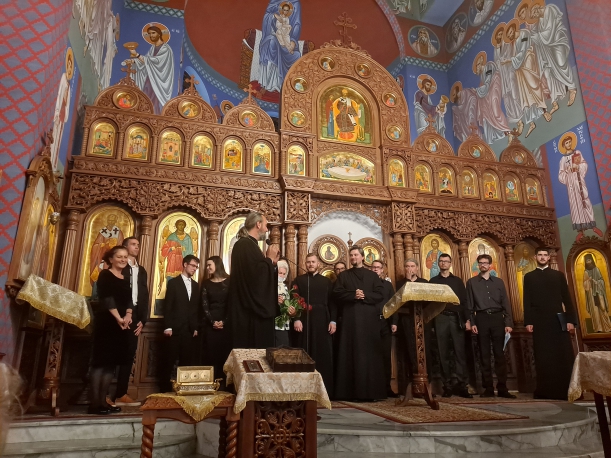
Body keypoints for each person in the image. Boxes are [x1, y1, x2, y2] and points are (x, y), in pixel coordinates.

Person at [523, 248, 577, 400]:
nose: (542, 257)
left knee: (562, 354)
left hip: (558, 319)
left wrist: (571, 320)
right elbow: (527, 300)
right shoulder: (529, 277)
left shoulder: (558, 275)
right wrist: (528, 321)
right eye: (540, 255)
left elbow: (567, 298)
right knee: (543, 355)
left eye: (545, 255)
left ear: (549, 257)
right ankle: (545, 390)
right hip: (539, 320)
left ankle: (567, 390)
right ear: (535, 257)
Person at [333, 246, 385, 401]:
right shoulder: (344, 276)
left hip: (369, 322)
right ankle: (349, 393)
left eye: (356, 255)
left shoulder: (372, 275)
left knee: (369, 355)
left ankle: (372, 392)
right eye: (351, 255)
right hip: (350, 321)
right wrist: (353, 295)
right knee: (350, 353)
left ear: (362, 257)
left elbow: (380, 294)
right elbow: (337, 293)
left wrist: (365, 295)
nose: (353, 257)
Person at [89, 246, 132, 414]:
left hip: (121, 324)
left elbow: (129, 300)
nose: (123, 259)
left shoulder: (125, 277)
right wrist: (118, 318)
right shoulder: (105, 274)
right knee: (101, 363)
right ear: (111, 259)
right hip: (107, 322)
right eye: (119, 256)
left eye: (125, 257)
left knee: (111, 365)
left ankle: (103, 402)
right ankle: (95, 405)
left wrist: (128, 315)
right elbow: (107, 298)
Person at [227, 212, 280, 349]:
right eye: (266, 225)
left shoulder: (250, 245)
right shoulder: (245, 245)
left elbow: (257, 273)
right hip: (249, 314)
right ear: (258, 224)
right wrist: (269, 260)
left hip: (249, 311)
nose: (267, 230)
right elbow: (255, 278)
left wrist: (271, 263)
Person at [466, 254, 515, 398]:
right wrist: (472, 322)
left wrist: (508, 323)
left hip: (497, 318)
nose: (483, 265)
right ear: (478, 265)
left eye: (486, 263)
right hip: (481, 318)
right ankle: (488, 388)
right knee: (484, 354)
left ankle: (503, 388)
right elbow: (469, 305)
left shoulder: (499, 282)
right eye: (480, 263)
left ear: (490, 265)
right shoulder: (471, 282)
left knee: (500, 354)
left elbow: (505, 303)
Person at [428, 253, 472, 398]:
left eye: (446, 261)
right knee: (443, 353)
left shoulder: (457, 281)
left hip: (456, 318)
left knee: (460, 353)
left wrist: (467, 320)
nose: (444, 263)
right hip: (440, 317)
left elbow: (464, 302)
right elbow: (430, 303)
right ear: (438, 263)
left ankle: (462, 385)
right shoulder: (433, 281)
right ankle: (447, 386)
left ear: (450, 264)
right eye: (441, 261)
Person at [112, 237, 149, 407]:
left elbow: (144, 295)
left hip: (135, 317)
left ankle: (121, 394)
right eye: (133, 244)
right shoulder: (119, 267)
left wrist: (142, 320)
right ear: (125, 248)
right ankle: (103, 394)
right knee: (112, 353)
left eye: (138, 245)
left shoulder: (141, 270)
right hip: (118, 315)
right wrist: (121, 315)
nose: (137, 247)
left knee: (128, 354)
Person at [293, 254, 336, 394]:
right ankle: (303, 389)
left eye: (313, 262)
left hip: (322, 320)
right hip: (304, 319)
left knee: (322, 353)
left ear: (318, 264)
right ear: (305, 264)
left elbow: (332, 303)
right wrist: (297, 319)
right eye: (308, 262)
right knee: (304, 352)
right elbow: (294, 300)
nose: (310, 264)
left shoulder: (326, 282)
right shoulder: (299, 280)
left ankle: (324, 390)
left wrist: (333, 321)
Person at [161, 254, 201, 392]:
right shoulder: (173, 283)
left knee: (186, 362)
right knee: (169, 360)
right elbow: (168, 306)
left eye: (196, 267)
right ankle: (164, 391)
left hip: (189, 330)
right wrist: (168, 327)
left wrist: (195, 327)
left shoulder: (196, 285)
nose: (194, 269)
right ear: (185, 264)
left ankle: (184, 389)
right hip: (174, 329)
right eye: (193, 265)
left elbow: (195, 309)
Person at [557, 133, 603, 241]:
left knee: (585, 201)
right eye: (566, 143)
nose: (568, 144)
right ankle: (581, 231)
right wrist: (567, 172)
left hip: (579, 181)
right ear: (564, 145)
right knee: (575, 206)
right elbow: (560, 175)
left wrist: (578, 167)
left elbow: (584, 164)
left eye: (569, 142)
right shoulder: (562, 160)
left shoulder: (577, 153)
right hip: (571, 186)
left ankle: (593, 226)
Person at [395, 258, 431, 395]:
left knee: (423, 351)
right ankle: (410, 385)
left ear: (417, 268)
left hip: (421, 319)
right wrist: (408, 281)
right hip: (406, 319)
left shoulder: (424, 283)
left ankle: (425, 384)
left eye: (412, 266)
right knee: (408, 350)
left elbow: (428, 301)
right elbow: (400, 300)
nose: (410, 268)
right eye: (407, 266)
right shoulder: (400, 283)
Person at [127, 25, 175, 114]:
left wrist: (136, 54)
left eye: (153, 33)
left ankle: (153, 117)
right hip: (149, 78)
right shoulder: (153, 48)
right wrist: (133, 61)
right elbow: (145, 62)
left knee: (154, 102)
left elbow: (155, 61)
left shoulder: (166, 49)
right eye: (149, 34)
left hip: (158, 81)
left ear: (159, 34)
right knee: (144, 97)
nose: (151, 35)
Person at [201, 256, 231, 386]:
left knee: (224, 356)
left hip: (227, 325)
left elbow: (232, 304)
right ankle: (210, 385)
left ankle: (224, 387)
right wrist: (212, 321)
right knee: (210, 355)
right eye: (207, 265)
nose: (207, 268)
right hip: (210, 324)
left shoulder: (230, 281)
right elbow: (204, 305)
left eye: (209, 265)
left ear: (217, 265)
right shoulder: (206, 283)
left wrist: (224, 321)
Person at [371, 260, 398, 398]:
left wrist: (394, 322)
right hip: (371, 323)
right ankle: (373, 388)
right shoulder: (367, 284)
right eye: (373, 267)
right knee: (372, 356)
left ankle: (387, 388)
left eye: (378, 267)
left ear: (382, 270)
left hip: (385, 323)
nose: (376, 269)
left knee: (386, 356)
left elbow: (393, 303)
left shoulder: (387, 285)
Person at [582, 253, 611, 333]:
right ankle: (598, 328)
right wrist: (588, 281)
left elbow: (602, 281)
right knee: (595, 311)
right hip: (591, 294)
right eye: (587, 261)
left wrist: (597, 282)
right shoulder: (585, 272)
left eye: (589, 260)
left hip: (598, 292)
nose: (588, 262)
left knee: (602, 308)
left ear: (592, 260)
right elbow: (584, 284)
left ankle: (607, 327)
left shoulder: (597, 269)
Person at [275, 259, 294, 347]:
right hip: (274, 323)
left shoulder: (285, 287)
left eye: (283, 274)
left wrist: (290, 308)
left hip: (284, 324)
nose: (281, 276)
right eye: (280, 273)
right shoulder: (271, 285)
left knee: (283, 348)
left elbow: (287, 302)